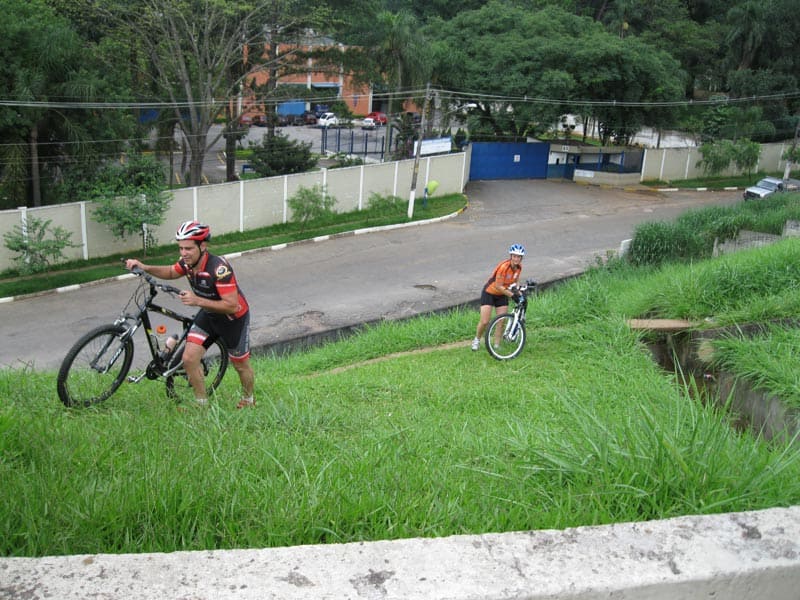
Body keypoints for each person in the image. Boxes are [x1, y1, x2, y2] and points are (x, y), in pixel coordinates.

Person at [125, 221, 255, 408]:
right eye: (181, 248)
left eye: (188, 248)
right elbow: (171, 271)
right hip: (209, 315)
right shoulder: (188, 264)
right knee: (189, 359)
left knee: (240, 365)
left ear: (203, 246)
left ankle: (249, 400)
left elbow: (232, 306)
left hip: (233, 320)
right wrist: (145, 267)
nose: (183, 253)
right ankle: (202, 404)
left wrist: (197, 300)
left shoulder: (219, 269)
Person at [471, 244, 526, 351]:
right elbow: (498, 286)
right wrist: (512, 295)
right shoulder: (504, 267)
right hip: (489, 293)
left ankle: (496, 345)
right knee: (485, 321)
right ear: (511, 256)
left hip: (502, 295)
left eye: (519, 257)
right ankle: (476, 340)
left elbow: (516, 281)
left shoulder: (519, 267)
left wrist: (519, 292)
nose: (516, 259)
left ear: (521, 258)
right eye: (514, 256)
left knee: (501, 320)